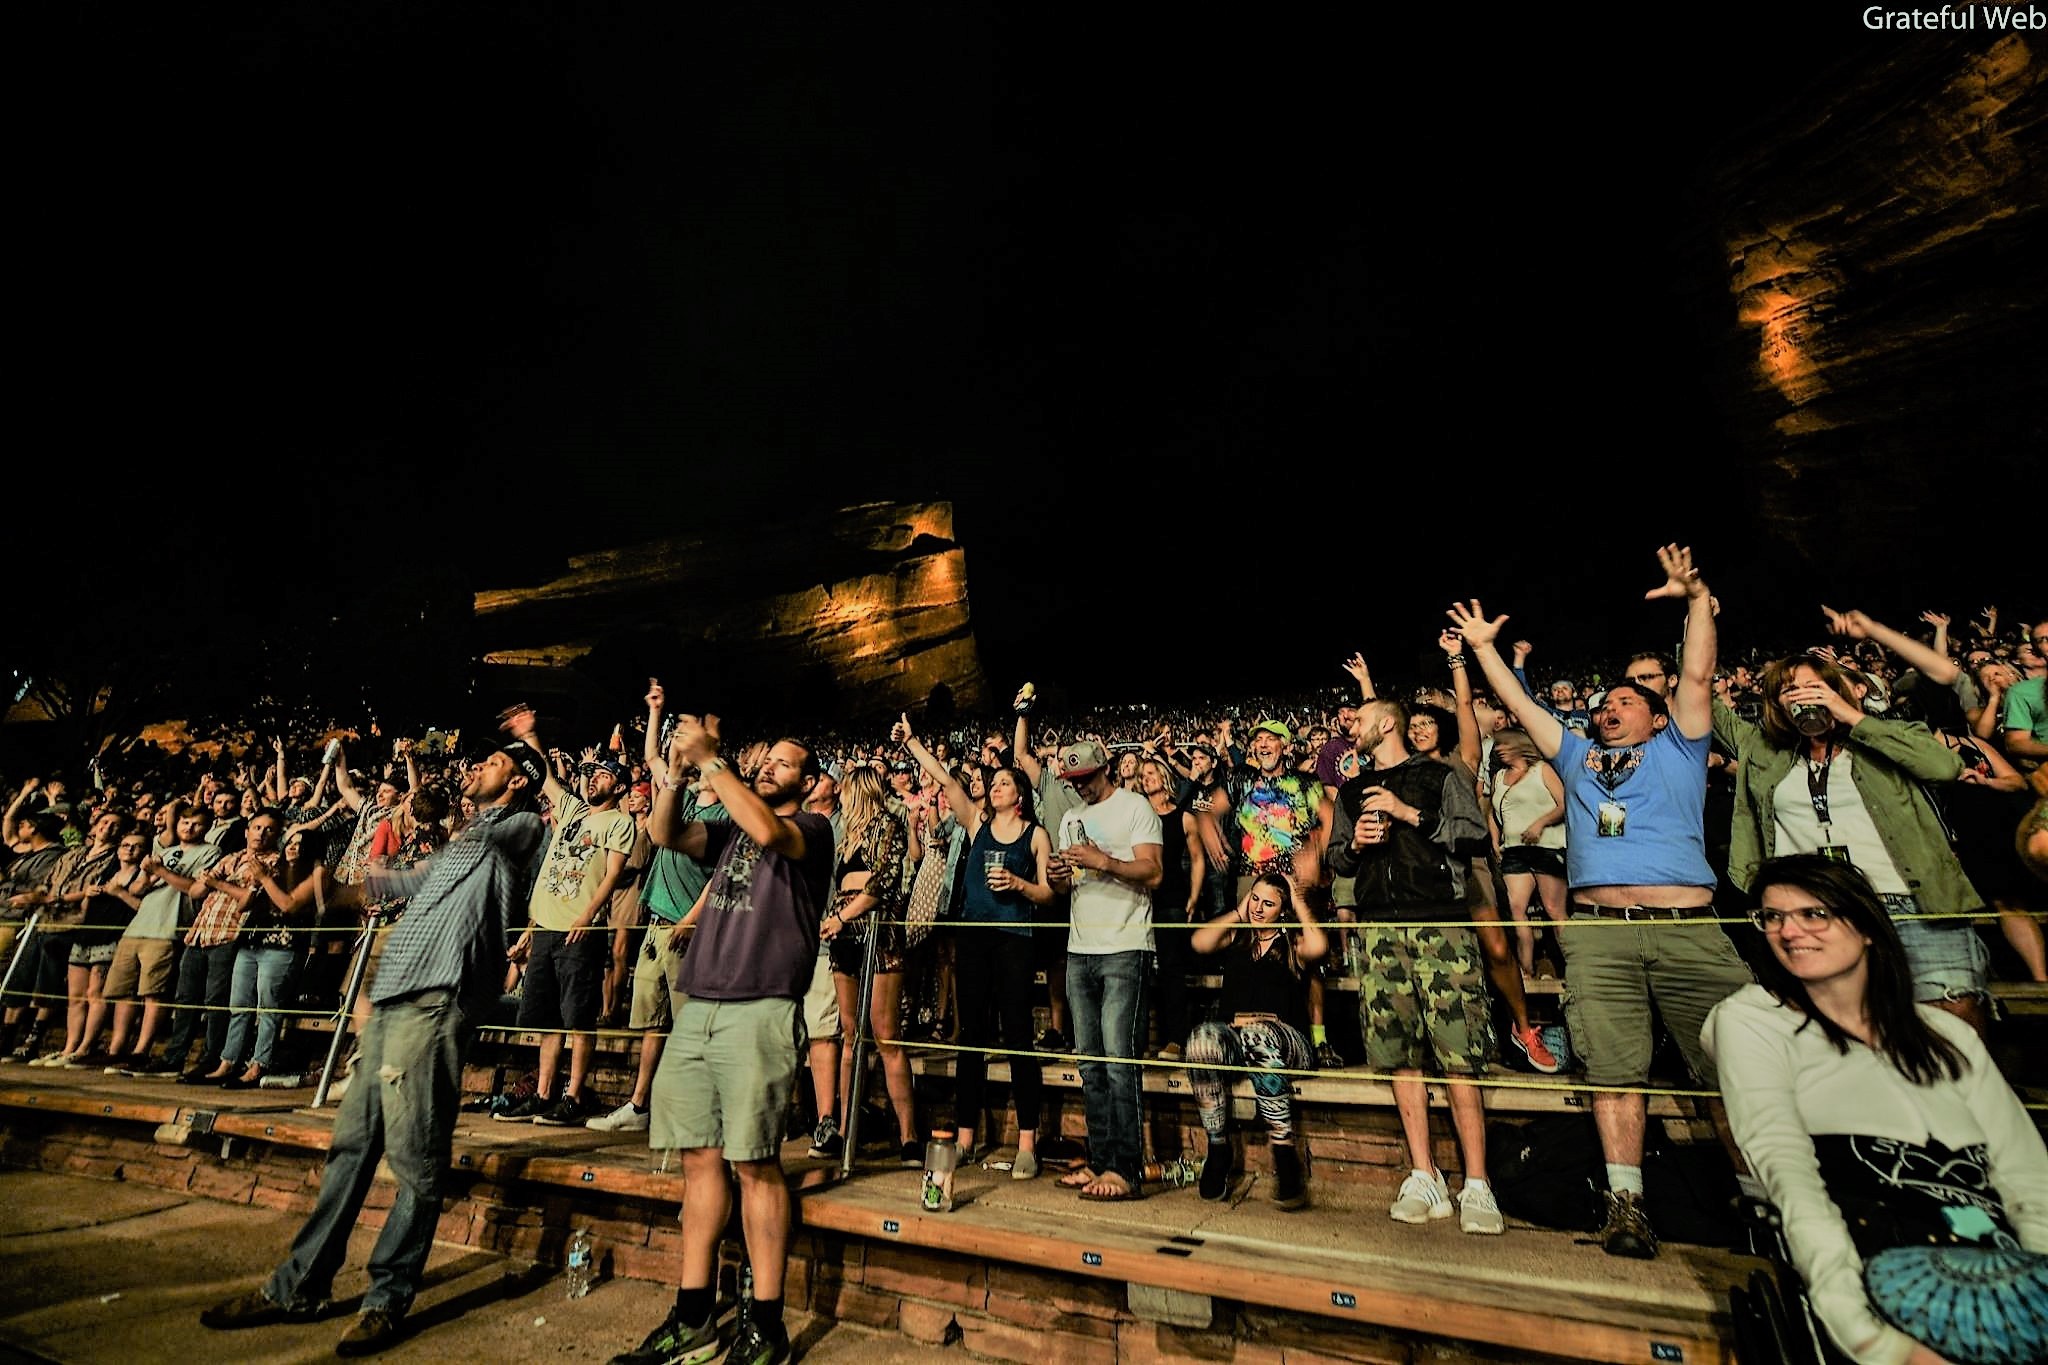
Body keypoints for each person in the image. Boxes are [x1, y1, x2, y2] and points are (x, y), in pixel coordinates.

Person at [1450, 544, 1755, 1260]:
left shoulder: (1680, 748)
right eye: (1605, 701)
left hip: (1687, 928)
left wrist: (1696, 599)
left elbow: (1701, 672)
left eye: (1626, 701)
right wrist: (1487, 651)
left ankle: (1764, 1203)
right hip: (1598, 932)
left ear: (1657, 715)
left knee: (1736, 1069)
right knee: (1614, 1069)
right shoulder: (1578, 756)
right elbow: (1522, 704)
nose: (1610, 706)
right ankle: (1627, 1202)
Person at [198, 737, 548, 1356]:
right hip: (393, 996)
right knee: (351, 1148)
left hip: (438, 996)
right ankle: (298, 1286)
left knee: (415, 1158)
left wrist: (506, 768)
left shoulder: (517, 826)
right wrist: (335, 889)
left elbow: (496, 837)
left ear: (518, 782)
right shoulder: (455, 847)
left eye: (493, 763)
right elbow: (395, 884)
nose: (478, 765)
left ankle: (387, 1298)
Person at [1706, 855, 2048, 1365]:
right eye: (1772, 916)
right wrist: (1870, 1339)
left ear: (1866, 926)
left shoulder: (1945, 1036)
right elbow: (1790, 1177)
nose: (1789, 931)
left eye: (1813, 914)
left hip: (1997, 1262)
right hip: (1874, 1266)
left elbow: (2025, 1173)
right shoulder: (1753, 1021)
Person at [617, 715, 832, 1365]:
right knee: (699, 1164)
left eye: (784, 764)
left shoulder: (811, 830)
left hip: (759, 1008)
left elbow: (770, 829)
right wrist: (675, 777)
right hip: (700, 1006)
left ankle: (765, 1323)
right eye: (765, 761)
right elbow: (666, 833)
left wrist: (713, 760)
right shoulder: (734, 826)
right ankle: (694, 1316)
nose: (768, 768)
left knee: (754, 1165)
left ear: (812, 781)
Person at [1712, 637, 1992, 1034]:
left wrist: (1848, 716)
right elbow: (1697, 693)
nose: (1801, 695)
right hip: (1818, 914)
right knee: (1844, 1042)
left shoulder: (1888, 734)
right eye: (1789, 689)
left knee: (1953, 1034)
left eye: (1814, 686)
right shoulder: (1764, 750)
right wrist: (1695, 613)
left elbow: (1943, 767)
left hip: (1912, 908)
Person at [1325, 697, 1504, 1235]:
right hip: (1379, 927)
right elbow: (1335, 857)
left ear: (1385, 724)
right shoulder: (1353, 791)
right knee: (1397, 1051)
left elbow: (1474, 836)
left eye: (1358, 720)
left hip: (1439, 922)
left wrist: (1411, 815)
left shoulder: (1438, 774)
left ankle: (1477, 1183)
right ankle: (1423, 1174)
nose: (1349, 728)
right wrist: (1354, 844)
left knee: (1457, 1050)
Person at [902, 719, 1054, 1176]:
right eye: (995, 781)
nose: (996, 786)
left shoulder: (1036, 835)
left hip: (1015, 938)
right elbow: (946, 780)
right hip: (974, 935)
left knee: (1019, 1037)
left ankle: (1028, 1141)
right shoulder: (976, 824)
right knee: (971, 1036)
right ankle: (965, 1136)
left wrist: (1019, 883)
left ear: (1021, 794)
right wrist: (912, 742)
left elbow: (1049, 892)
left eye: (1006, 781)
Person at [498, 715, 635, 1127]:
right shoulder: (574, 810)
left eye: (604, 775)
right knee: (546, 1019)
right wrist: (530, 735)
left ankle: (574, 1095)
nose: (593, 780)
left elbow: (612, 875)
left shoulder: (619, 822)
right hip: (546, 927)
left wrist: (588, 914)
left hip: (580, 929)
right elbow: (544, 778)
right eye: (591, 774)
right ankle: (543, 1093)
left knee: (577, 1016)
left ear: (621, 786)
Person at [1047, 739, 1163, 1203]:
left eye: (1087, 780)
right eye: (1073, 783)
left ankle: (1126, 1167)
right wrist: (1060, 877)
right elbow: (1067, 887)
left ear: (1106, 770)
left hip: (1125, 946)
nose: (1081, 790)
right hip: (1081, 948)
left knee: (1120, 1064)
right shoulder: (1071, 818)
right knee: (1091, 1065)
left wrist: (1104, 862)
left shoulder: (1135, 807)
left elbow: (1153, 873)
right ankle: (1099, 1158)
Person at [1184, 872, 1329, 1210]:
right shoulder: (1238, 937)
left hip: (1289, 1043)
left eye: (1268, 903)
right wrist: (1239, 911)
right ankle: (1218, 1147)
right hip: (1237, 1038)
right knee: (1201, 1040)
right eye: (1255, 899)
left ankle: (1283, 1150)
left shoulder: (1292, 943)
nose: (1259, 908)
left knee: (1259, 1034)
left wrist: (1297, 902)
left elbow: (1319, 946)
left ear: (1283, 909)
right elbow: (1199, 942)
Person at [818, 762, 917, 1163]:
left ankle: (910, 1136)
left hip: (878, 932)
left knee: (886, 1035)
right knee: (849, 1033)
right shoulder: (845, 839)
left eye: (845, 789)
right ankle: (845, 1130)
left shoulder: (888, 827)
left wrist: (843, 914)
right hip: (845, 936)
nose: (839, 794)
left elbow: (880, 883)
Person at [1488, 730, 1568, 977]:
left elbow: (1564, 803)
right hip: (1514, 849)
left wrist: (1541, 823)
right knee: (1515, 908)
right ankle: (1526, 969)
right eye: (1497, 745)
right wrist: (1495, 840)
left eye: (1504, 744)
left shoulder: (1542, 769)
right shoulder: (1499, 776)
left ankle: (1572, 965)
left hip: (1547, 846)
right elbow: (1493, 811)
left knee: (1554, 909)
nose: (1499, 749)